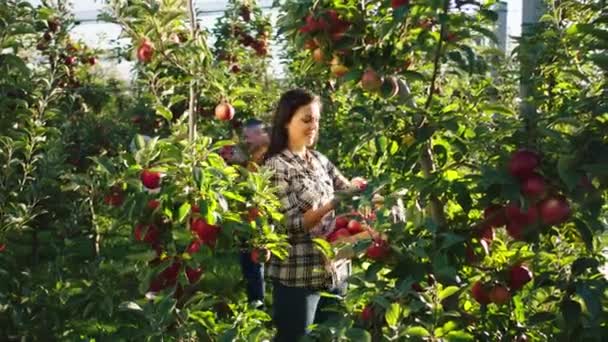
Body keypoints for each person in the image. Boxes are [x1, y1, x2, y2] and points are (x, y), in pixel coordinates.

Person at [263, 88, 380, 341]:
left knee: (333, 336)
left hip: (335, 271)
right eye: (306, 120)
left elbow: (346, 188)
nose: (313, 126)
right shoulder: (276, 166)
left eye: (316, 120)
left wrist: (363, 190)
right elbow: (289, 225)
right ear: (286, 122)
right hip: (299, 277)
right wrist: (331, 204)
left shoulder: (318, 159)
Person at [237, 118, 271, 308]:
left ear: (260, 134)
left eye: (247, 136)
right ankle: (256, 302)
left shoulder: (270, 156)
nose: (245, 140)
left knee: (254, 263)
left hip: (259, 219)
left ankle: (257, 305)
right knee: (251, 263)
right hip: (250, 217)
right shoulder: (256, 154)